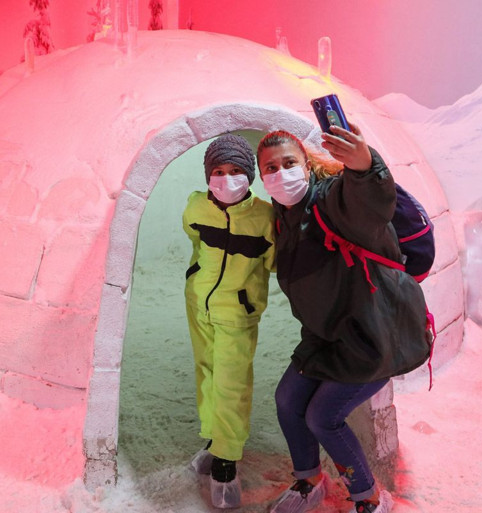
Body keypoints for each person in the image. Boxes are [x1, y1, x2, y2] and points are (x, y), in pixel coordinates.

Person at [257, 125, 431, 513]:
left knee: (323, 417)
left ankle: (369, 498)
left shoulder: (330, 199)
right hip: (327, 335)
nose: (281, 173)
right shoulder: (284, 216)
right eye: (270, 167)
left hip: (373, 334)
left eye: (289, 163)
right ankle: (309, 481)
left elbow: (367, 202)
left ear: (306, 164)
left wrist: (364, 167)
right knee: (287, 401)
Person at [182, 133, 275, 509]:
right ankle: (215, 439)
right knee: (206, 372)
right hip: (199, 306)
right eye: (218, 171)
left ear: (249, 175)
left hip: (237, 312)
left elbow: (276, 264)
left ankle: (227, 459)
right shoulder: (196, 208)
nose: (226, 178)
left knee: (231, 382)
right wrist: (195, 278)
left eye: (236, 170)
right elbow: (194, 240)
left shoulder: (265, 218)